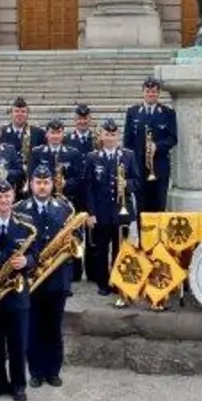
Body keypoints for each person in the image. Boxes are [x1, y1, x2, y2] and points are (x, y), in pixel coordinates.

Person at [22, 166, 81, 387]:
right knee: (34, 327)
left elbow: (77, 236)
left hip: (58, 277)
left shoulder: (65, 208)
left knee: (54, 328)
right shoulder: (21, 209)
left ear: (52, 184)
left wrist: (70, 244)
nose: (42, 186)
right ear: (31, 184)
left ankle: (53, 370)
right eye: (38, 182)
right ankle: (36, 372)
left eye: (46, 182)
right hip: (32, 278)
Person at [0, 181, 33, 401]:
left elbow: (37, 255)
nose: (3, 201)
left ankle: (18, 385)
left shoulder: (26, 224)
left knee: (18, 342)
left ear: (13, 197)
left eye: (7, 197)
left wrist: (26, 260)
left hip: (17, 292)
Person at [84, 120, 140, 298]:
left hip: (121, 212)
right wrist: (90, 213)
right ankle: (103, 283)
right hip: (101, 212)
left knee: (119, 249)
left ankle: (117, 281)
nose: (110, 138)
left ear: (118, 136)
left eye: (113, 134)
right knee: (101, 249)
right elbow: (88, 187)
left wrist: (127, 184)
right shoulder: (93, 157)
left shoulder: (128, 155)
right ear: (101, 136)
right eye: (107, 134)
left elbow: (137, 181)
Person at [124, 77, 177, 214]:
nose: (150, 94)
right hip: (138, 166)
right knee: (140, 204)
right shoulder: (133, 112)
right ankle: (142, 235)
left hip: (159, 166)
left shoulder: (167, 113)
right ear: (143, 92)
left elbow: (173, 138)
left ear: (158, 93)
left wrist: (157, 146)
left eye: (154, 91)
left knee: (159, 203)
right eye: (148, 91)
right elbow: (127, 142)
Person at [0, 98, 41, 188]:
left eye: (23, 111)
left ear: (27, 114)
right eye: (16, 111)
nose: (20, 114)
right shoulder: (0, 133)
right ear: (11, 113)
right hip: (8, 181)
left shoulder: (38, 133)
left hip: (31, 181)